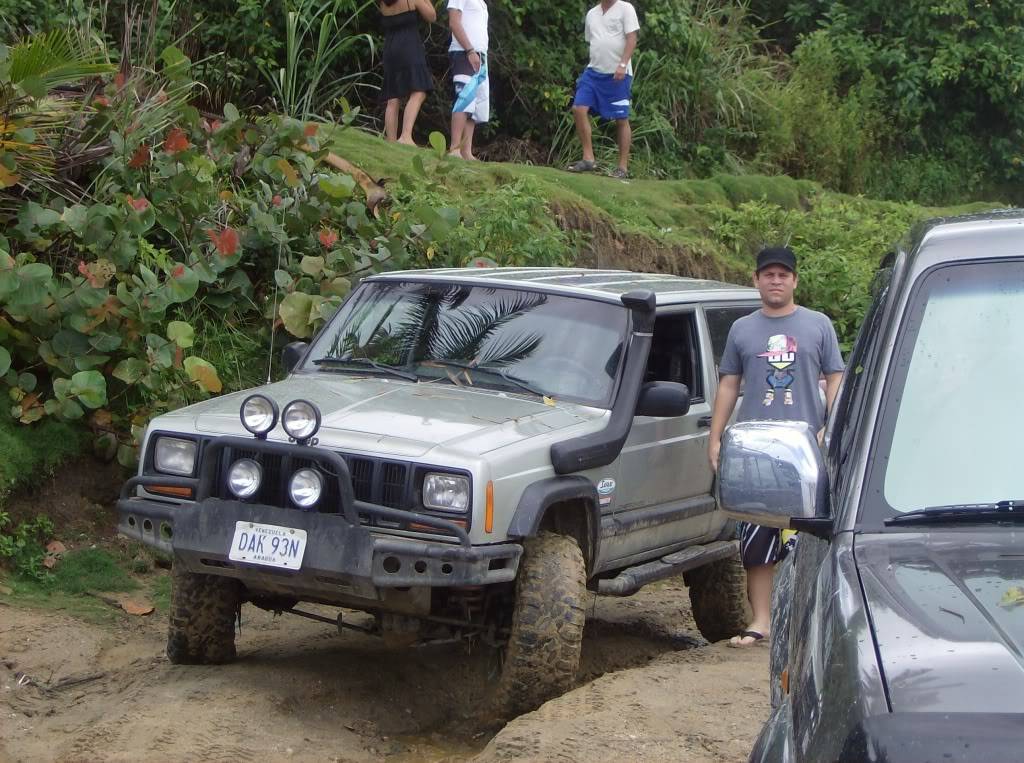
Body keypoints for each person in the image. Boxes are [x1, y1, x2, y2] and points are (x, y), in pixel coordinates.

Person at [707, 246, 845, 647]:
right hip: (756, 449)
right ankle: (761, 620)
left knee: (809, 536)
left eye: (783, 274)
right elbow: (729, 383)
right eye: (768, 274)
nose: (775, 281)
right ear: (756, 280)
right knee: (756, 535)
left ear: (795, 280)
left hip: (807, 448)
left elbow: (834, 376)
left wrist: (831, 429)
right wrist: (716, 437)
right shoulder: (742, 330)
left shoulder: (818, 325)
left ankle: (807, 618)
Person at [568, 0, 640, 179]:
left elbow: (632, 38)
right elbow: (593, 41)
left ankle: (622, 168)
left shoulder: (625, 9)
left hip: (618, 72)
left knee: (621, 118)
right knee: (579, 108)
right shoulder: (592, 14)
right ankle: (588, 159)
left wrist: (623, 64)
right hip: (594, 72)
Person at [379, 0, 436, 145]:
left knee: (393, 97)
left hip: (390, 48)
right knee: (419, 90)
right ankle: (405, 136)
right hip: (409, 46)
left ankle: (391, 140)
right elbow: (431, 16)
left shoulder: (384, 3)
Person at [447, 0, 489, 160]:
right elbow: (454, 22)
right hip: (464, 52)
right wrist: (470, 50)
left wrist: (477, 53)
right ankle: (454, 148)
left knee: (475, 105)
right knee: (464, 99)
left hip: (481, 54)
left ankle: (466, 151)